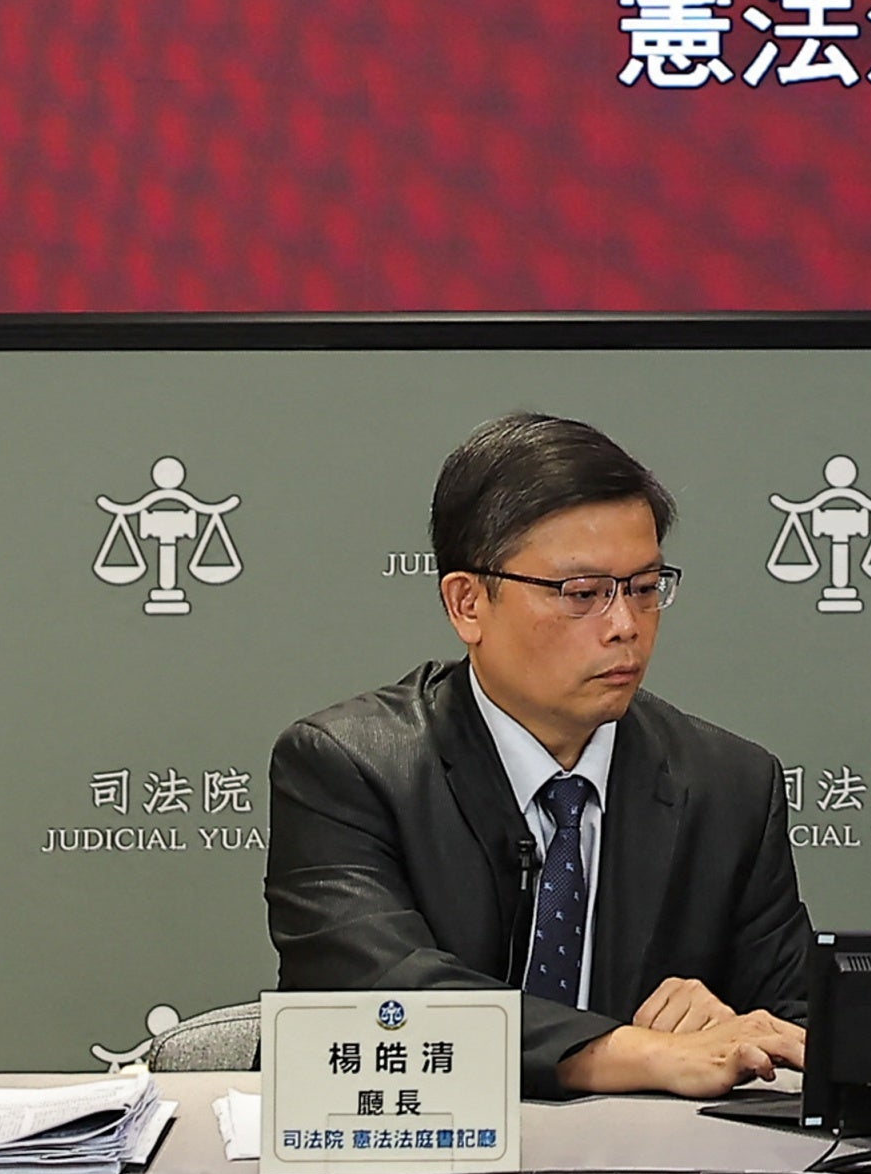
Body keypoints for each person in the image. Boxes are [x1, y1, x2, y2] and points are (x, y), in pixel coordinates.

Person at [268, 413, 811, 1096]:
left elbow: (798, 1026)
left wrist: (733, 1031)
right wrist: (638, 1053)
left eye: (645, 589)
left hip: (645, 1164)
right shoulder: (348, 766)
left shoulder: (729, 785)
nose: (625, 626)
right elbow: (380, 994)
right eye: (583, 595)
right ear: (468, 604)